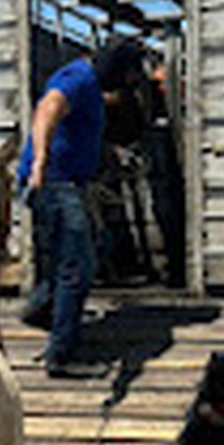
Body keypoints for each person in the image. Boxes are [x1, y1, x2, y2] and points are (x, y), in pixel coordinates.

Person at [18, 38, 146, 377]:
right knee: (78, 265)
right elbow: (48, 109)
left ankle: (43, 309)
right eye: (127, 76)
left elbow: (84, 125)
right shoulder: (78, 79)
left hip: (69, 182)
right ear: (114, 68)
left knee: (97, 247)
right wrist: (41, 162)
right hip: (54, 183)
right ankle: (61, 355)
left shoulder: (89, 85)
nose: (125, 86)